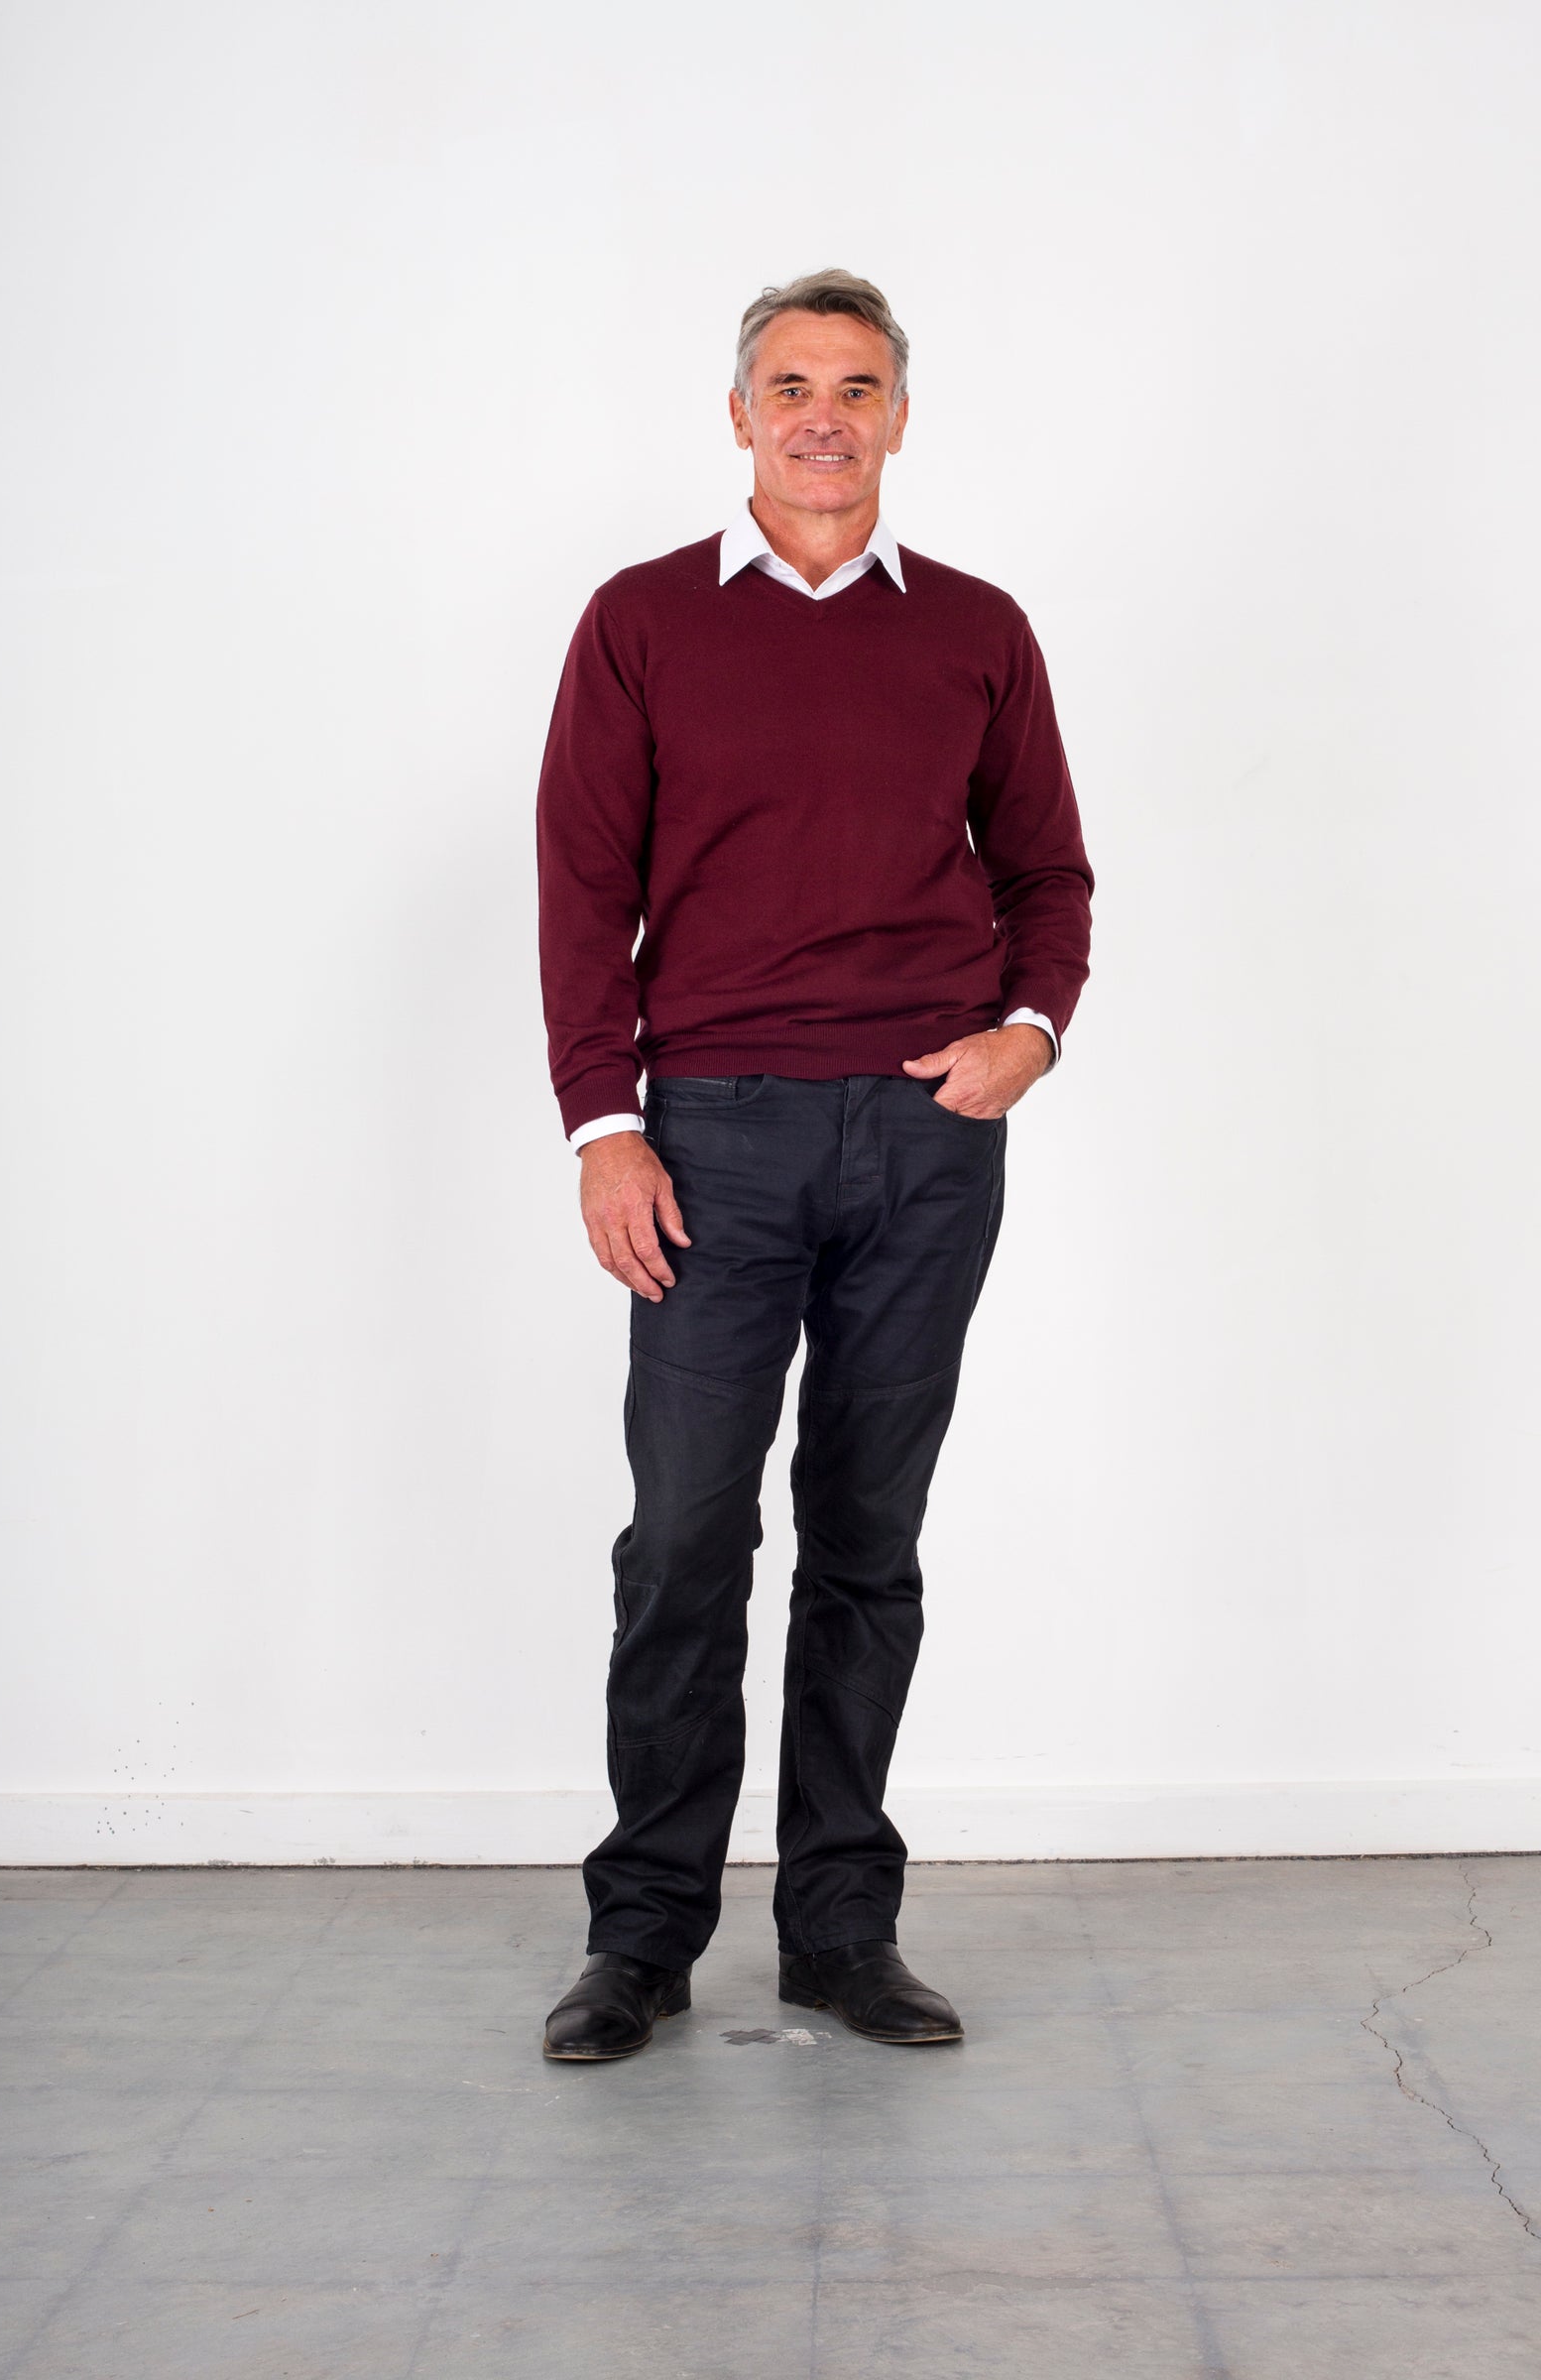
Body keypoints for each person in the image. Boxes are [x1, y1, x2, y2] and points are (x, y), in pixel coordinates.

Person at [533, 269, 1094, 2060]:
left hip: (925, 1137)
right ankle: (642, 1940)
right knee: (686, 1536)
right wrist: (606, 1127)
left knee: (868, 1538)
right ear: (740, 414)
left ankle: (844, 1931)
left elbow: (1047, 869)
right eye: (791, 386)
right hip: (715, 1135)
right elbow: (581, 888)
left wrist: (1030, 1031)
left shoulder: (978, 630)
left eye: (857, 388)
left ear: (900, 418)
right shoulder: (642, 621)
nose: (823, 418)